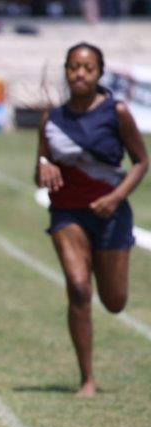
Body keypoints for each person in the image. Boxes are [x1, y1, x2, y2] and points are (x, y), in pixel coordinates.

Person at [36, 42, 148, 396]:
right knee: (79, 288)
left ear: (100, 73)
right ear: (65, 71)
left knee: (114, 301)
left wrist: (115, 198)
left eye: (88, 68)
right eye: (73, 67)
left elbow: (141, 161)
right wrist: (45, 166)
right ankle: (87, 379)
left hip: (111, 213)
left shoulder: (117, 112)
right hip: (67, 212)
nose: (80, 74)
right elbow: (39, 170)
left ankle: (110, 263)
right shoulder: (51, 119)